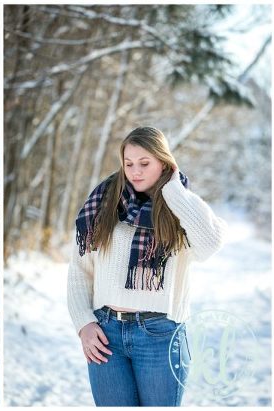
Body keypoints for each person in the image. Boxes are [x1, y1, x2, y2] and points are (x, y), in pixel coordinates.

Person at [67, 127, 226, 406]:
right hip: (106, 334)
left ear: (163, 162)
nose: (135, 172)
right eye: (129, 164)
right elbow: (80, 269)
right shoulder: (104, 203)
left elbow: (211, 243)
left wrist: (173, 190)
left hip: (160, 336)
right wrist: (84, 323)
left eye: (144, 163)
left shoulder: (181, 208)